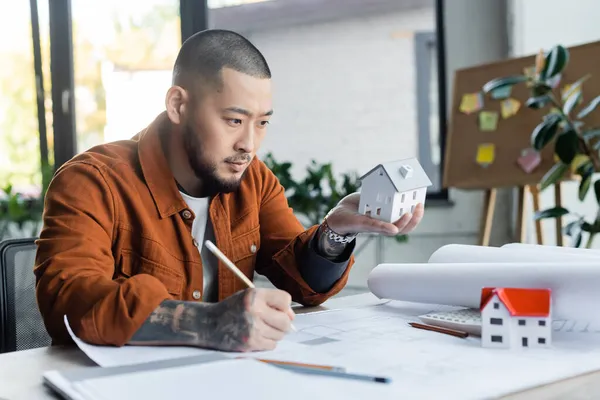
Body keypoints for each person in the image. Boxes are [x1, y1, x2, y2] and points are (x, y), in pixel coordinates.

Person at [34, 29, 424, 353]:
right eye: (234, 120)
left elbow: (303, 283)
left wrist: (336, 232)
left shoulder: (252, 179)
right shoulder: (92, 182)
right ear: (177, 105)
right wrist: (207, 322)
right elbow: (68, 304)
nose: (249, 144)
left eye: (262, 123)